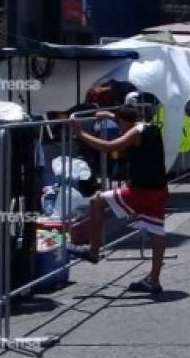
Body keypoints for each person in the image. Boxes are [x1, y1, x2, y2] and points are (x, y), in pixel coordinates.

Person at [68, 106, 169, 294]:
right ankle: (154, 281)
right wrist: (109, 115)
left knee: (96, 201)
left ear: (126, 122)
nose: (120, 128)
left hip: (141, 192)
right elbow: (124, 119)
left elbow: (109, 147)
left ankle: (93, 250)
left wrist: (80, 133)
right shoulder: (150, 127)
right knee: (157, 231)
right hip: (160, 190)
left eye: (120, 124)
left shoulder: (135, 132)